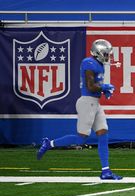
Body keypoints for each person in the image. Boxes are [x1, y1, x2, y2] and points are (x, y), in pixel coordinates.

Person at [36, 39, 122, 180]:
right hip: (87, 102)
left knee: (103, 134)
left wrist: (103, 91)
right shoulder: (88, 63)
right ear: (98, 53)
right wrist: (104, 87)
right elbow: (90, 86)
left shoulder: (100, 64)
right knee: (81, 138)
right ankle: (49, 143)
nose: (108, 57)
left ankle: (105, 171)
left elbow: (96, 86)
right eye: (106, 54)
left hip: (95, 103)